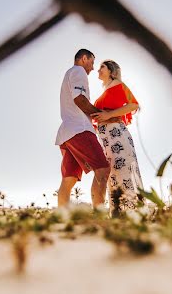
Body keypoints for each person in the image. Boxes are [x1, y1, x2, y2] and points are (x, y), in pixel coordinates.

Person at [55, 49, 110, 207]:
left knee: (69, 179)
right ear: (84, 58)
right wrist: (101, 114)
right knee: (103, 169)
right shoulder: (78, 71)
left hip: (66, 134)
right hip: (80, 129)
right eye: (92, 62)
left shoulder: (69, 74)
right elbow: (80, 99)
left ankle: (62, 215)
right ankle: (99, 213)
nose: (93, 68)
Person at [91, 59, 143, 213]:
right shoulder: (105, 90)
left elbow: (134, 104)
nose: (98, 70)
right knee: (112, 175)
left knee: (123, 172)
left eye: (102, 67)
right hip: (106, 139)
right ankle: (117, 213)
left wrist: (109, 115)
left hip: (118, 136)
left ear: (111, 71)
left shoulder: (119, 85)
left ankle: (132, 212)